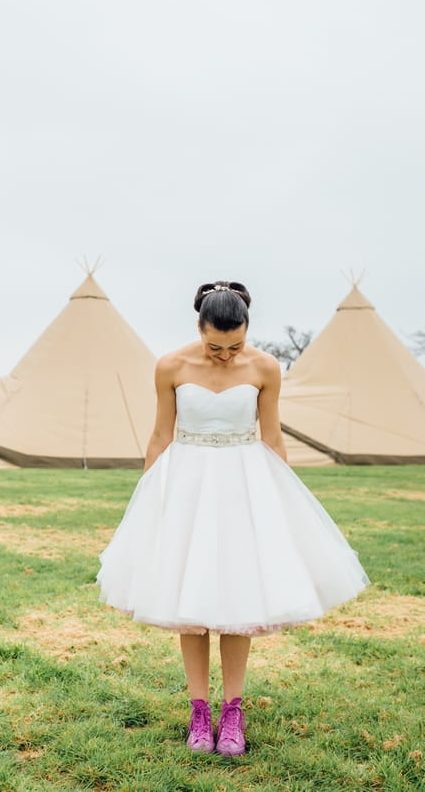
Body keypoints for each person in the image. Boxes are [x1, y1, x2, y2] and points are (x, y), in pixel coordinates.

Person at [96, 281, 369, 757]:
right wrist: (148, 498)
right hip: (187, 485)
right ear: (199, 330)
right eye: (215, 346)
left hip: (245, 484)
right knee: (189, 598)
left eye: (235, 345)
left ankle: (233, 712)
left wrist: (282, 500)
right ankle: (199, 712)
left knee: (241, 599)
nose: (225, 355)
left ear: (248, 331)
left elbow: (272, 436)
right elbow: (161, 435)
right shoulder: (171, 366)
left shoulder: (265, 367)